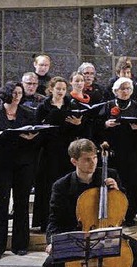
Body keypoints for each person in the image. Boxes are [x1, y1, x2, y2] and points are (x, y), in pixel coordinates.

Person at [42, 139, 137, 267]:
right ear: (74, 161)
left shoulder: (110, 176)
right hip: (78, 237)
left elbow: (127, 212)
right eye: (86, 159)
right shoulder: (61, 186)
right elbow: (54, 221)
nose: (92, 163)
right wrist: (52, 242)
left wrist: (118, 192)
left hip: (106, 233)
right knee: (50, 265)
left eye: (94, 158)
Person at [0, 82, 39, 260]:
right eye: (14, 93)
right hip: (1, 163)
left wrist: (32, 137)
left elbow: (37, 136)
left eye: (20, 93)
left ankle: (20, 245)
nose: (18, 96)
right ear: (7, 94)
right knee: (1, 204)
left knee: (21, 203)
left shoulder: (28, 114)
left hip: (23, 163)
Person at [32, 77, 84, 232]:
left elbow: (79, 132)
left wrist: (77, 125)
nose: (61, 92)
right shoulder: (43, 106)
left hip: (67, 152)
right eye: (58, 89)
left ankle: (67, 221)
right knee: (48, 186)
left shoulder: (72, 105)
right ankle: (46, 222)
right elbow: (37, 128)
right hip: (48, 152)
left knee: (67, 185)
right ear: (51, 89)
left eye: (63, 89)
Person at [102, 77, 137, 226]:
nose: (125, 91)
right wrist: (106, 124)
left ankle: (130, 214)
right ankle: (113, 214)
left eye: (128, 88)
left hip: (131, 148)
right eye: (122, 89)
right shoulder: (108, 105)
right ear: (115, 91)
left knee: (131, 181)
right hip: (113, 149)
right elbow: (97, 125)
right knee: (115, 180)